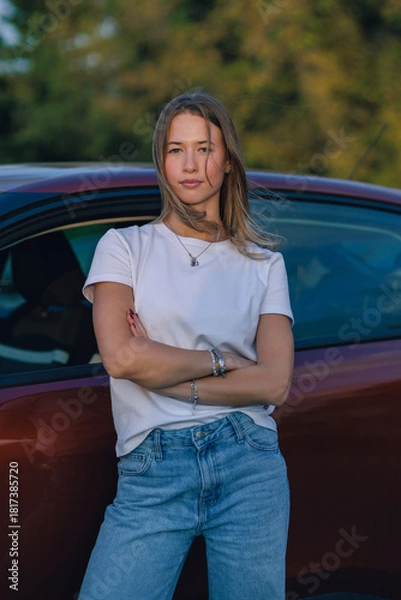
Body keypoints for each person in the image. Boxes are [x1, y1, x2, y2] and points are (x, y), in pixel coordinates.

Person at [78, 92, 294, 600]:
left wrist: (163, 370)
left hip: (249, 462)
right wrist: (225, 363)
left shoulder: (264, 265)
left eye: (205, 148)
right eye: (176, 150)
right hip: (152, 469)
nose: (191, 165)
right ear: (161, 160)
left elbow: (274, 383)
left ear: (228, 161)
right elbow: (123, 357)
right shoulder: (123, 247)